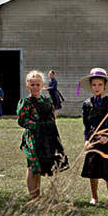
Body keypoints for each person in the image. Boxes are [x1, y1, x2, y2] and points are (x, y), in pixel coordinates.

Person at [18, 70, 67, 200]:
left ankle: (37, 194)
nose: (35, 87)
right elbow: (22, 120)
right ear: (28, 86)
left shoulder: (47, 100)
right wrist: (37, 126)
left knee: (40, 164)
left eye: (37, 85)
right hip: (32, 137)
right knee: (32, 166)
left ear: (42, 85)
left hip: (46, 136)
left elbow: (52, 116)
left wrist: (49, 127)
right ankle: (32, 195)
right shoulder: (26, 102)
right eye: (32, 85)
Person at [80, 67, 108, 206]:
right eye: (94, 85)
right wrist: (87, 140)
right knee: (92, 169)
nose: (96, 87)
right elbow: (86, 125)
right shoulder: (87, 104)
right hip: (93, 141)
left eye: (99, 85)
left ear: (104, 85)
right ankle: (94, 197)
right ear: (90, 86)